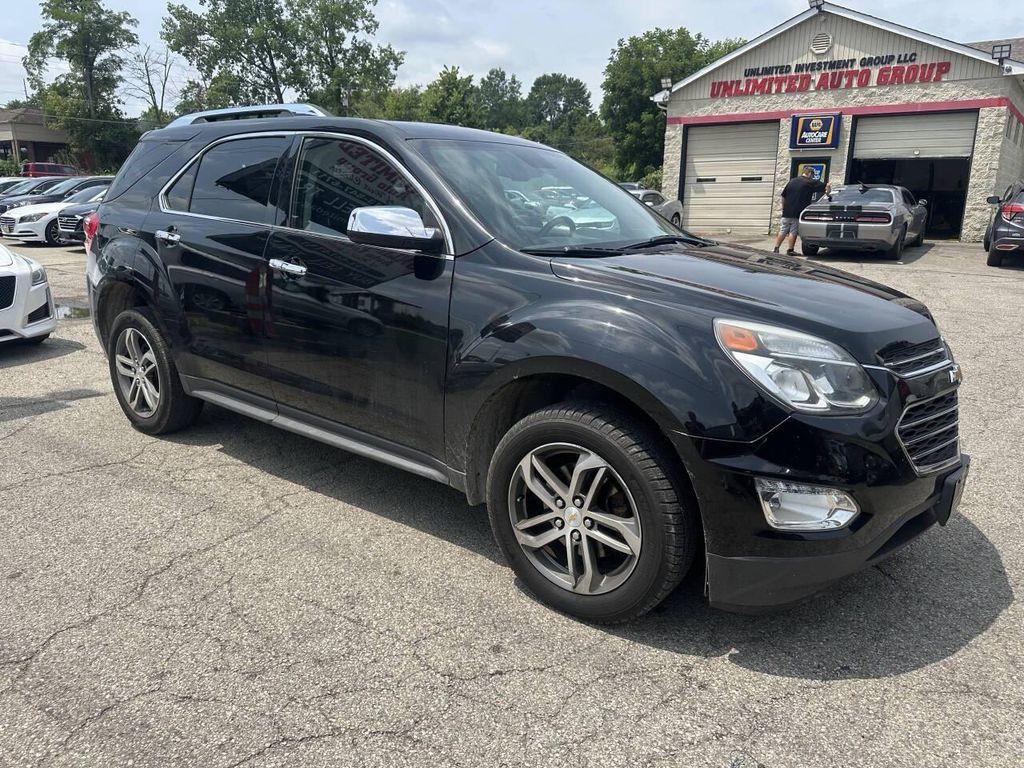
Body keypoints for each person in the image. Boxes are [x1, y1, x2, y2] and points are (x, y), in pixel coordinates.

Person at [773, 167, 831, 255]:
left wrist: (784, 208)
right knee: (793, 231)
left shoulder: (792, 181)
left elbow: (783, 196)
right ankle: (790, 250)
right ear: (810, 174)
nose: (813, 177)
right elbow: (827, 186)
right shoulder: (810, 182)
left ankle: (776, 248)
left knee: (783, 230)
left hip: (787, 211)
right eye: (813, 175)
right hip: (798, 212)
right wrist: (828, 192)